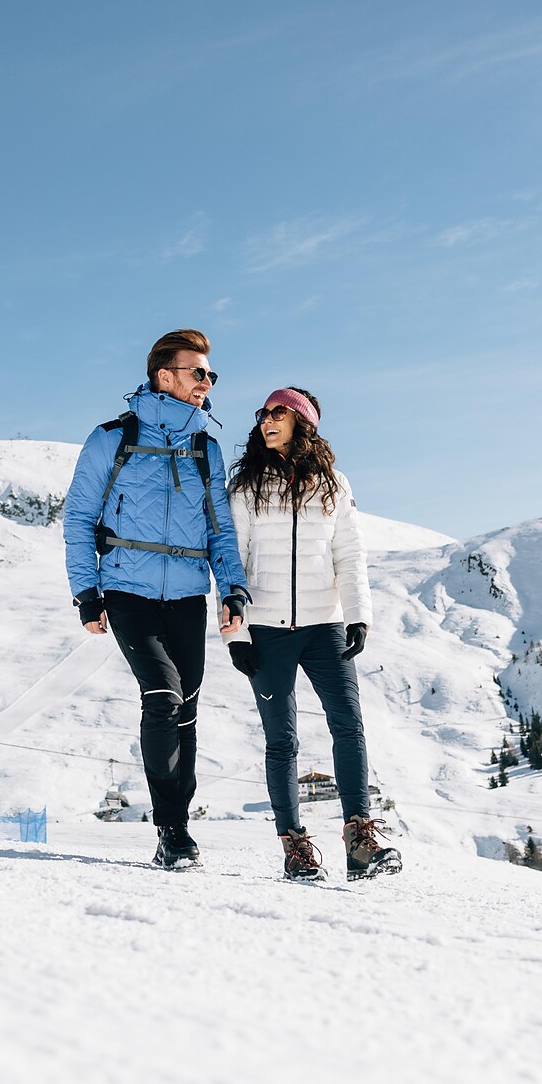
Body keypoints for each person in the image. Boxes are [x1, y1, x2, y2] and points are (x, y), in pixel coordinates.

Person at [65, 328, 249, 869]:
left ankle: (178, 827)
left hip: (189, 595)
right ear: (164, 376)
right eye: (199, 372)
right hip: (128, 592)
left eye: (211, 374)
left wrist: (231, 586)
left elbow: (220, 529)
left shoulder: (204, 448)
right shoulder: (111, 438)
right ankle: (170, 829)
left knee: (186, 708)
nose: (207, 383)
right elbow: (78, 518)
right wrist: (86, 591)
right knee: (164, 695)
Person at [224, 387, 399, 882]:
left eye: (278, 412)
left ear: (302, 421)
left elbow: (350, 555)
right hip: (266, 629)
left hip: (326, 626)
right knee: (282, 740)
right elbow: (231, 562)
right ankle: (294, 847)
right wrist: (234, 636)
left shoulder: (334, 485)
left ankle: (359, 840)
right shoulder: (246, 487)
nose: (266, 420)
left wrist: (359, 615)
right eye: (262, 414)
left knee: (349, 726)